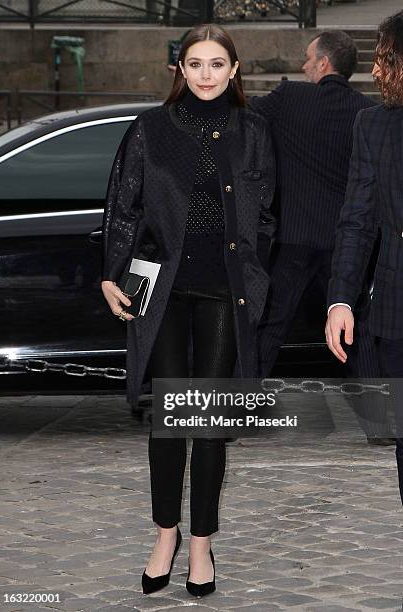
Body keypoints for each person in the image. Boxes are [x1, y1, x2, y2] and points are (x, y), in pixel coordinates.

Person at [101, 24, 275, 597]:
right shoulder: (150, 129)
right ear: (179, 69)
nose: (205, 74)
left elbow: (267, 213)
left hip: (227, 289)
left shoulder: (253, 130)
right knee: (171, 419)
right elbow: (123, 205)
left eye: (216, 64)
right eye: (194, 63)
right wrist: (111, 273)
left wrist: (254, 269)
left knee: (208, 422)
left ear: (234, 70)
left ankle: (201, 542)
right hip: (165, 290)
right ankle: (165, 534)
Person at [249, 30, 393, 444]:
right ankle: (381, 429)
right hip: (346, 243)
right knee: (356, 328)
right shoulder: (366, 111)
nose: (303, 65)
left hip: (294, 238)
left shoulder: (290, 98)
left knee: (270, 325)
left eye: (308, 59)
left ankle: (232, 418)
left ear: (324, 63)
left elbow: (244, 111)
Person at [326, 10, 403, 502]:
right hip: (397, 310)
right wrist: (340, 300)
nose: (376, 71)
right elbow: (356, 221)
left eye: (387, 59)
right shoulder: (372, 125)